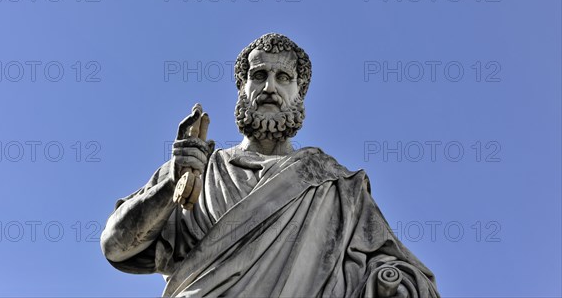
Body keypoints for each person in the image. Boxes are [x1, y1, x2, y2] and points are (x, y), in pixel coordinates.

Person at [100, 33, 440, 297]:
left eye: (283, 78)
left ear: (299, 93)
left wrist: (392, 281)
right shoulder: (198, 168)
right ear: (242, 88)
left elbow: (397, 270)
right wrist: (170, 188)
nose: (269, 87)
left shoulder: (334, 186)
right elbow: (116, 246)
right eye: (258, 75)